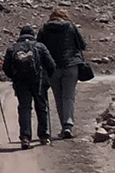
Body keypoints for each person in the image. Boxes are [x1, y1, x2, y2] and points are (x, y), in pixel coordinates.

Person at [36, 9, 89, 138]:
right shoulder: (70, 27)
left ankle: (63, 127)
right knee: (68, 96)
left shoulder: (44, 29)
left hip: (53, 68)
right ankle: (68, 125)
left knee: (58, 97)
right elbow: (82, 45)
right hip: (71, 65)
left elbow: (39, 49)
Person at [2, 26, 58, 149]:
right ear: (33, 35)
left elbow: (6, 68)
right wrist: (46, 77)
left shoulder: (13, 48)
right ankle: (43, 136)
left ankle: (25, 137)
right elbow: (51, 65)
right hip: (39, 82)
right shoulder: (40, 46)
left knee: (24, 108)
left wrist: (15, 77)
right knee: (41, 107)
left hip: (21, 83)